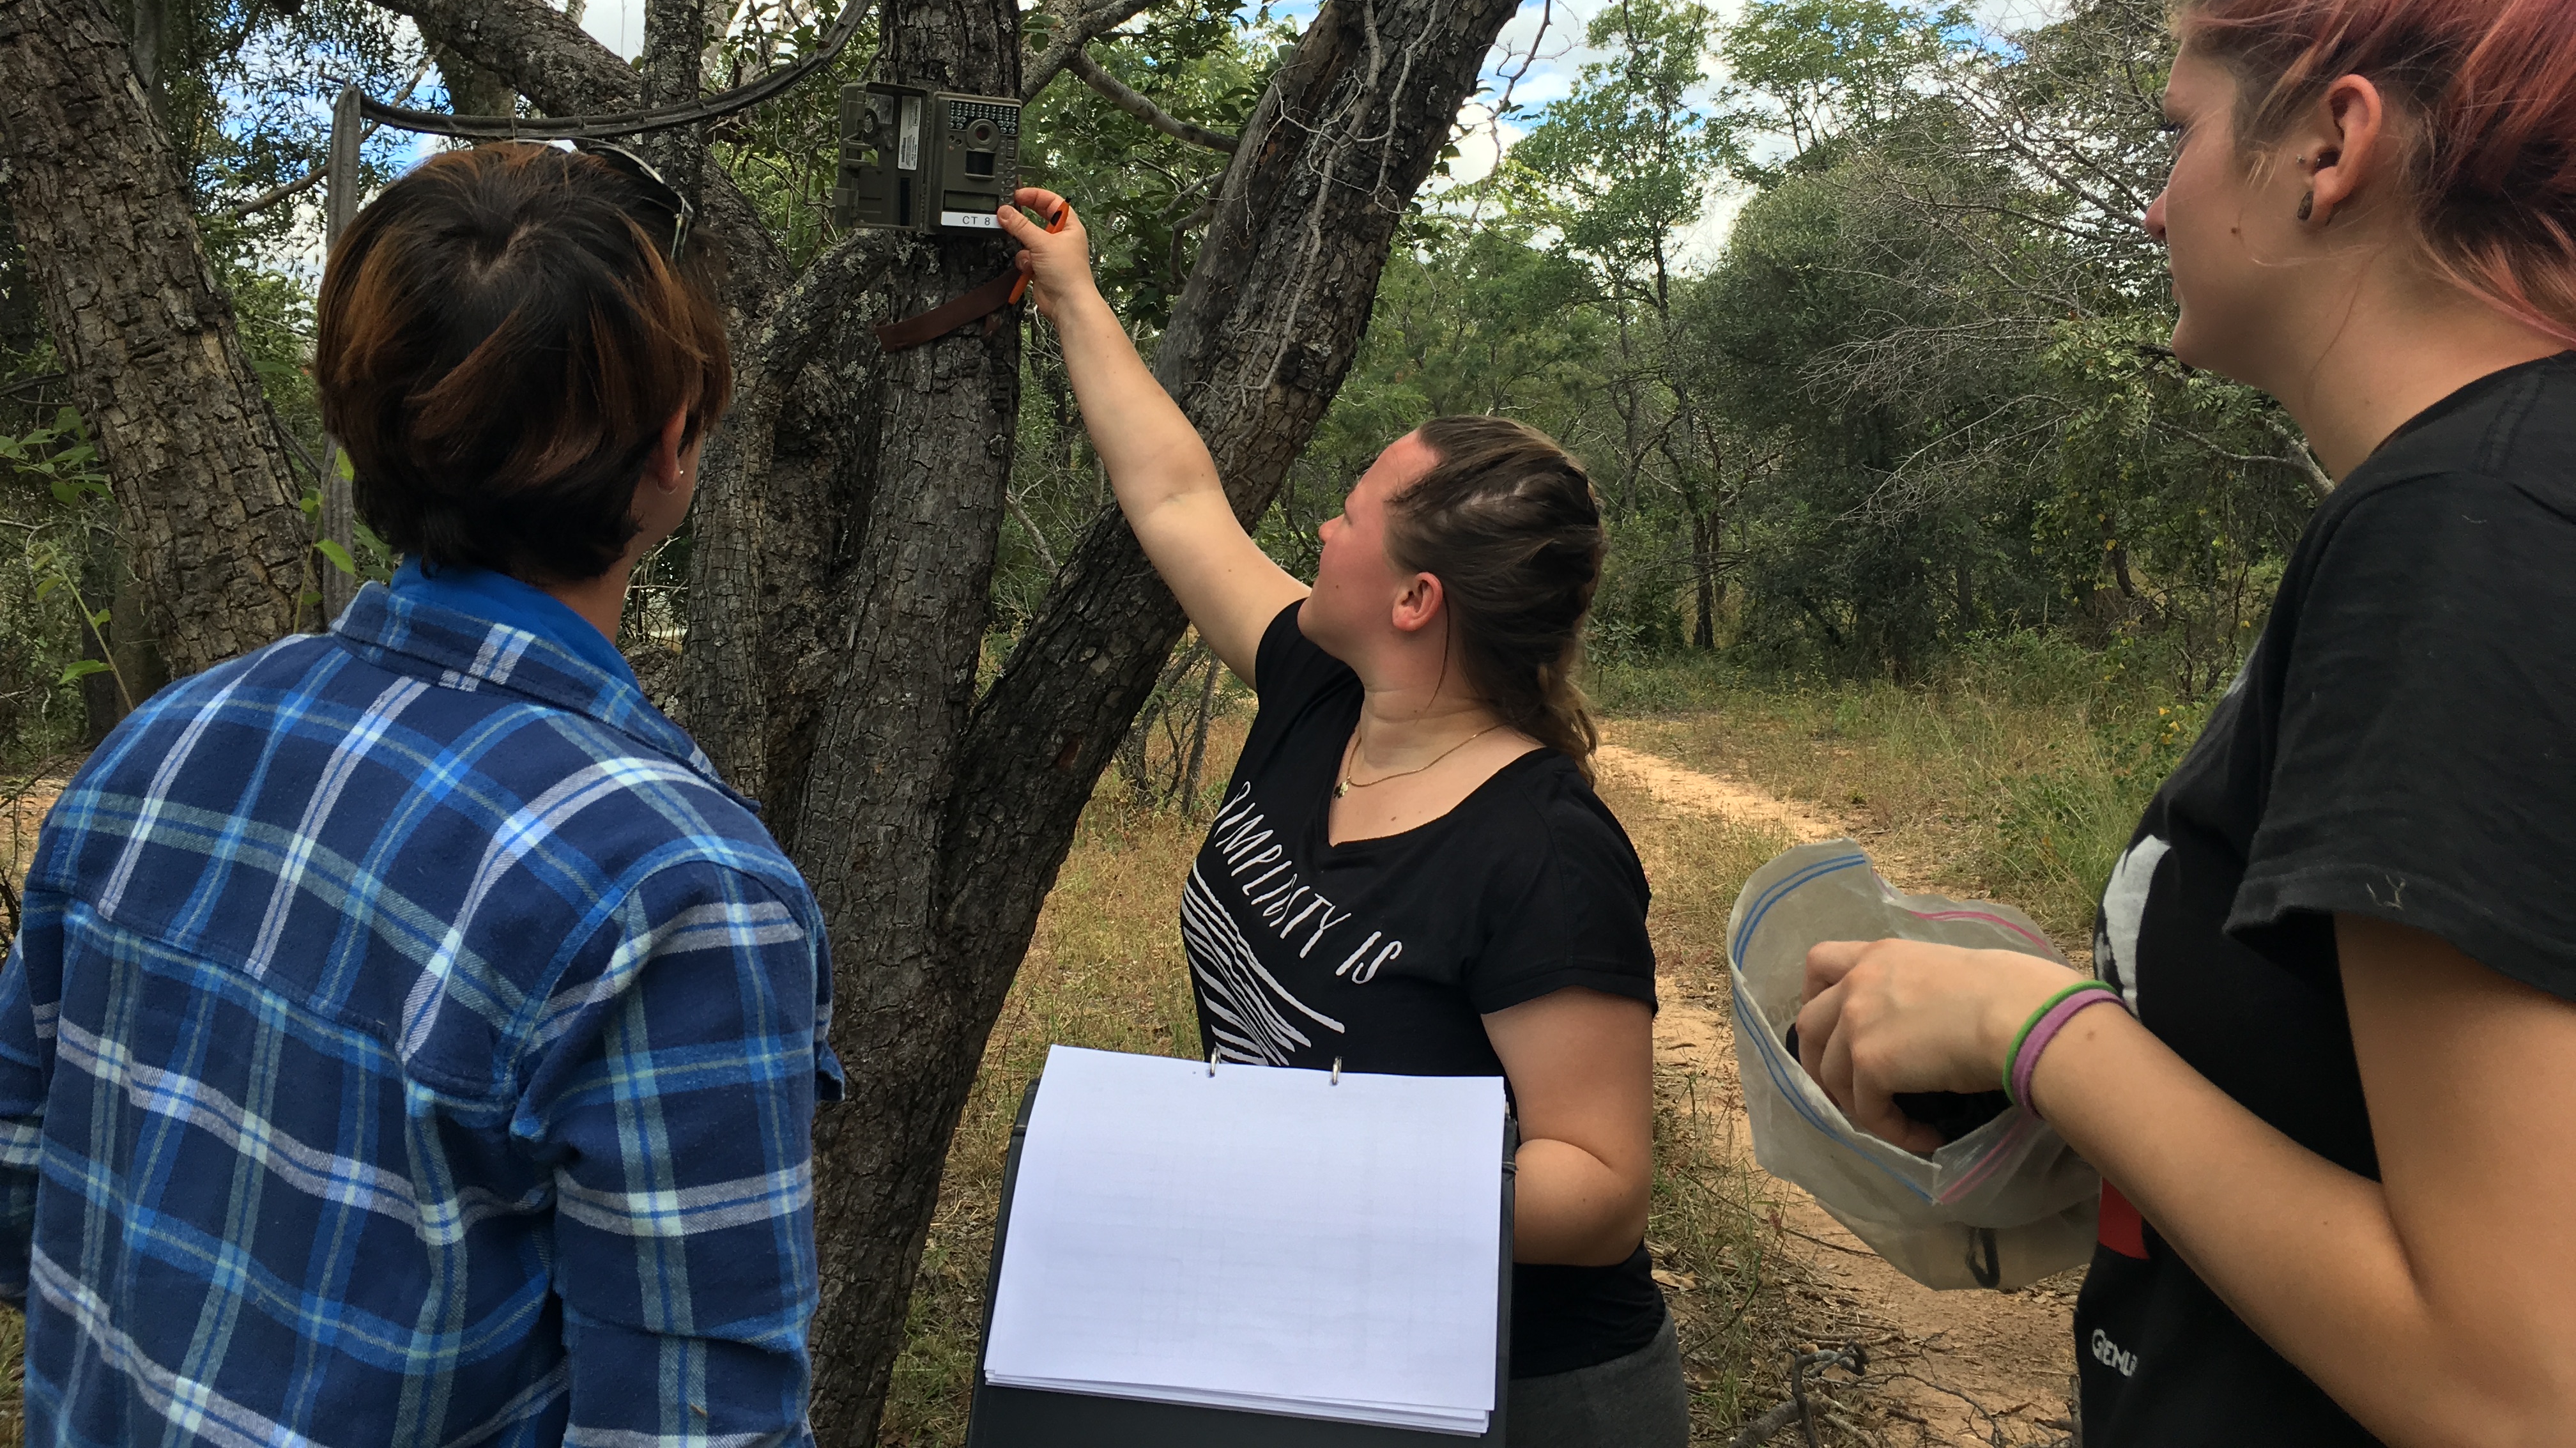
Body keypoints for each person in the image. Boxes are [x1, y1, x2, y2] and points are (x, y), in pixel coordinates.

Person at [1786, 0, 2576, 1446]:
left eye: (2180, 132)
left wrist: (2040, 1029)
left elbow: (2512, 1381)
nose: (2154, 205)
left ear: (2333, 146)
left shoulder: (2464, 525)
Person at [0, 143, 841, 1445]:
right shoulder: (677, 893)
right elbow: (694, 1426)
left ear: (357, 415)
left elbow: (25, 1199)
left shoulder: (161, 747)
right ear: (674, 444)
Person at [995, 188, 1682, 1445]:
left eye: (1351, 513)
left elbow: (1599, 1190)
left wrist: (1296, 1186)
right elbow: (1174, 499)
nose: (1320, 526)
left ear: (1415, 598)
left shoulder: (1542, 853)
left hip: (1525, 1391)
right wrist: (1073, 294)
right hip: (1331, 1335)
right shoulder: (1322, 692)